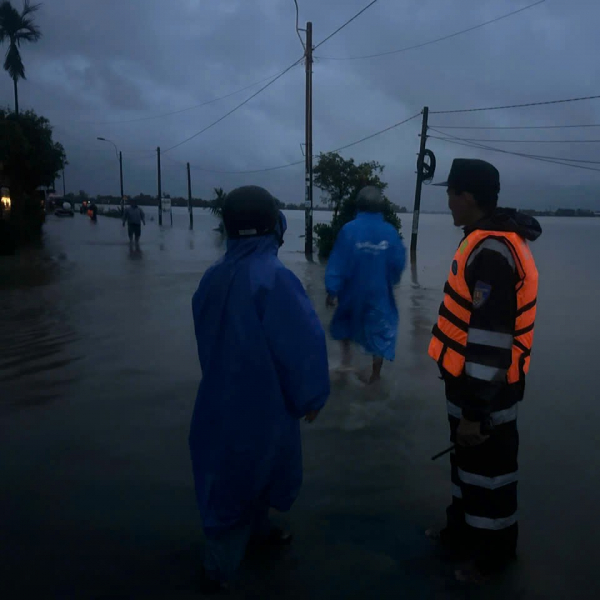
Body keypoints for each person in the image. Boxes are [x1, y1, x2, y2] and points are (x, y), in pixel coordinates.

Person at [189, 185, 330, 592]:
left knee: (232, 479)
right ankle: (218, 575)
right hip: (263, 406)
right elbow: (302, 342)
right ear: (274, 226)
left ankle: (256, 536)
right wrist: (312, 396)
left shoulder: (212, 277)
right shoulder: (275, 278)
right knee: (249, 480)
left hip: (217, 402)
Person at [425, 158, 542, 584]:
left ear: (467, 197)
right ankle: (460, 534)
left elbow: (491, 342)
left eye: (451, 193)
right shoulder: (482, 240)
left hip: (487, 392)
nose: (448, 202)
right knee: (468, 467)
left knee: (491, 475)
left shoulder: (492, 251)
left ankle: (493, 557)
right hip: (469, 386)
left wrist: (475, 411)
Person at [324, 185, 407, 384]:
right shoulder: (390, 231)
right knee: (380, 330)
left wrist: (332, 290)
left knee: (343, 322)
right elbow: (398, 262)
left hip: (351, 292)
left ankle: (346, 361)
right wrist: (391, 280)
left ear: (358, 205)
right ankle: (375, 377)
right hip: (378, 293)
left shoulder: (349, 229)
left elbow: (337, 262)